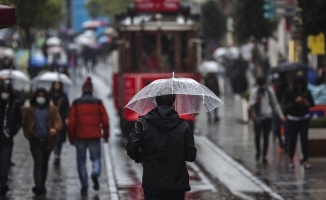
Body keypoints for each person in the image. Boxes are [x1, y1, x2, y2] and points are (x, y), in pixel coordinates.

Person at [126, 94, 197, 200]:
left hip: (152, 183)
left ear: (155, 102)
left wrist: (142, 159)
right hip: (176, 184)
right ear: (174, 103)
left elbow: (131, 148)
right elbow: (191, 156)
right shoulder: (183, 126)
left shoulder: (143, 123)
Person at [67, 77, 109, 196]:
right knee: (96, 157)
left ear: (82, 90)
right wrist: (106, 135)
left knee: (81, 161)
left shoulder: (76, 103)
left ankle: (84, 184)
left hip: (80, 136)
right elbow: (105, 121)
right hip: (95, 135)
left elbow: (71, 123)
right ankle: (95, 172)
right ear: (92, 90)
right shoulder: (98, 102)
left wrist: (71, 138)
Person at [22, 88, 62, 195]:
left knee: (44, 163)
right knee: (38, 163)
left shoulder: (52, 109)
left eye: (42, 96)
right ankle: (38, 186)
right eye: (38, 95)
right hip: (35, 140)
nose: (41, 98)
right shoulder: (30, 110)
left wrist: (55, 129)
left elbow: (58, 122)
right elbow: (25, 124)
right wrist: (29, 135)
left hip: (47, 141)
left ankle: (42, 184)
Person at [249, 76, 285, 164]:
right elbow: (250, 104)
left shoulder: (270, 91)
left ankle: (264, 155)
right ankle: (258, 151)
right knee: (257, 136)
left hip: (267, 117)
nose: (262, 86)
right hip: (258, 117)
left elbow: (275, 103)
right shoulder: (254, 91)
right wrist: (255, 102)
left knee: (266, 137)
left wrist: (281, 115)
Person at [283, 76, 315, 169]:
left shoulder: (306, 92)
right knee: (292, 140)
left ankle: (305, 160)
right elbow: (285, 104)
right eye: (298, 84)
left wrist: (306, 102)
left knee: (304, 139)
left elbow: (312, 103)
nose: (299, 86)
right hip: (292, 119)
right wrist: (295, 102)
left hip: (304, 118)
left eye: (301, 84)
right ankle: (291, 159)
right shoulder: (289, 91)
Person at [0, 81, 22, 196]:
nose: (5, 93)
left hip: (7, 137)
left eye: (7, 91)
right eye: (3, 91)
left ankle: (3, 183)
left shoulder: (14, 104)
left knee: (5, 161)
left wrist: (12, 131)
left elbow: (19, 120)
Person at [48, 81, 70, 166]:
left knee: (59, 139)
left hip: (60, 120)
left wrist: (66, 118)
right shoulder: (49, 95)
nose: (57, 86)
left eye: (58, 85)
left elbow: (67, 107)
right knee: (53, 138)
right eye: (55, 85)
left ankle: (57, 155)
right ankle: (55, 155)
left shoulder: (63, 95)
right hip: (51, 120)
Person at [272, 73, 288, 149]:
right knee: (277, 127)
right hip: (276, 111)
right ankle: (281, 143)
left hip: (285, 110)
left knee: (286, 127)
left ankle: (286, 144)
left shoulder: (286, 87)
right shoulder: (274, 89)